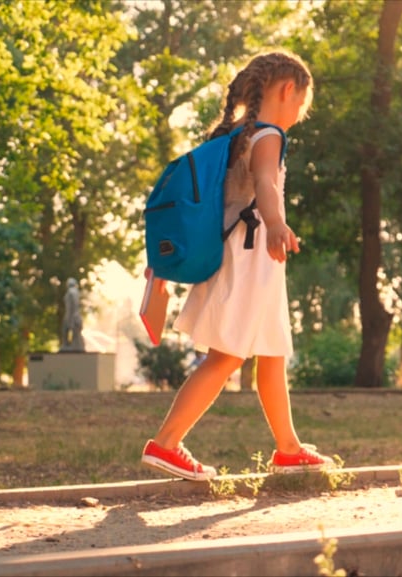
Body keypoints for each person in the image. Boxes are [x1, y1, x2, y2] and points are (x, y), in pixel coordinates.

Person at [141, 50, 335, 481]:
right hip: (251, 259)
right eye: (302, 105)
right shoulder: (268, 136)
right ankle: (166, 443)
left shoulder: (234, 137)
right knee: (226, 356)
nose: (300, 115)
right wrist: (278, 224)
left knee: (271, 352)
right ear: (288, 90)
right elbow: (266, 182)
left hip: (244, 259)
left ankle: (288, 448)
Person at [60, 277, 85, 352]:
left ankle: (70, 345)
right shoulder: (75, 292)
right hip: (73, 315)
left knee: (68, 331)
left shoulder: (71, 292)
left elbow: (73, 304)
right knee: (72, 332)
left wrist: (71, 318)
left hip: (72, 315)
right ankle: (71, 345)